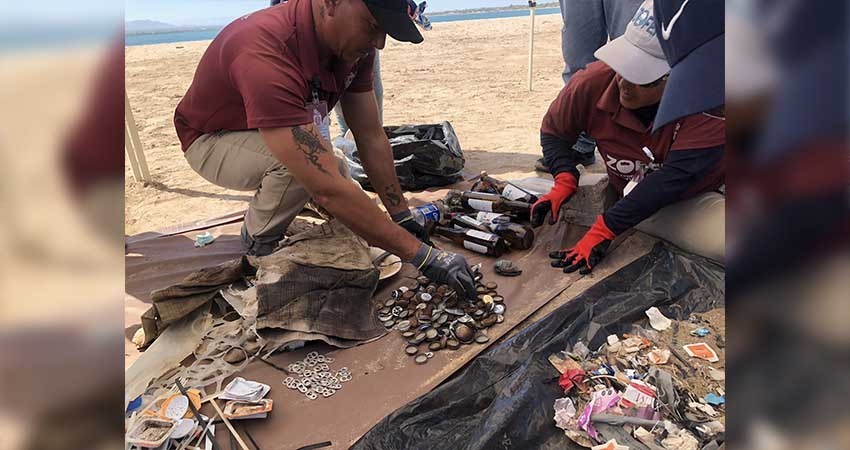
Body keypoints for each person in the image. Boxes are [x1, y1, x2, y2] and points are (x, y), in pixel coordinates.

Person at [173, 0, 477, 298]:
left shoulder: (356, 46)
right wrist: (423, 257)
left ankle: (302, 211)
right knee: (301, 173)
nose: (379, 43)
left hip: (270, 128)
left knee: (338, 171)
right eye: (373, 26)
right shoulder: (266, 51)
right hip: (212, 140)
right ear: (330, 3)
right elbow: (325, 188)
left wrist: (401, 215)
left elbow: (370, 134)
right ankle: (257, 243)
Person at [531, 0, 725, 274]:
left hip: (693, 186)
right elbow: (553, 133)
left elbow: (676, 177)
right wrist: (564, 176)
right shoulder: (593, 82)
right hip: (655, 196)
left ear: (678, 78)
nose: (624, 83)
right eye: (623, 67)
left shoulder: (710, 101)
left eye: (641, 77)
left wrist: (605, 228)